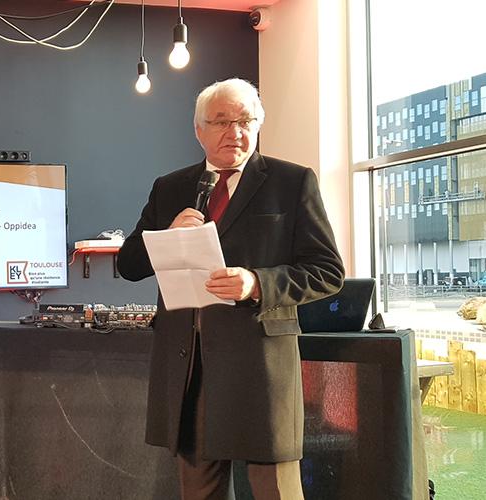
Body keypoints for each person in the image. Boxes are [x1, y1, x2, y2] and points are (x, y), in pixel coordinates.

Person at [117, 78, 345, 500]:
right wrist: (167, 236)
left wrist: (257, 283)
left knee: (275, 491)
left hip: (260, 365)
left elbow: (328, 271)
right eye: (221, 122)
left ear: (258, 125)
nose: (234, 132)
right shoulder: (170, 187)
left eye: (245, 121)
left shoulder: (292, 182)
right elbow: (128, 264)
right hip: (190, 367)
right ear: (198, 130)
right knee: (199, 492)